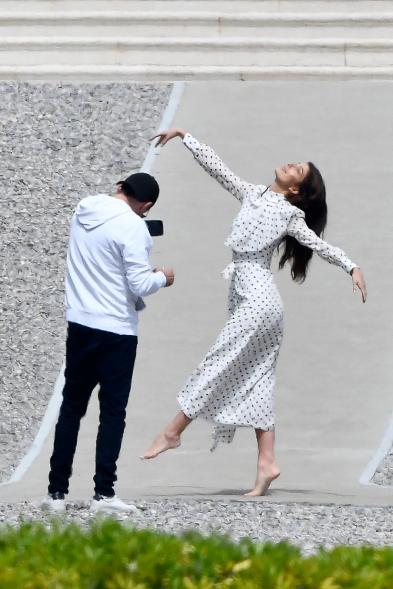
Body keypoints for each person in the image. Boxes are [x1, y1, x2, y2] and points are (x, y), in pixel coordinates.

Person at [142, 128, 367, 497]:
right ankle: (267, 464)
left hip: (259, 300)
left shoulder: (290, 214)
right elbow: (218, 168)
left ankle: (173, 431)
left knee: (217, 363)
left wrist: (351, 266)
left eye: (300, 170)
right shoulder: (254, 193)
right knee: (258, 378)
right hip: (248, 295)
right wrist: (186, 136)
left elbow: (317, 243)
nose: (293, 163)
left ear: (296, 189)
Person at [42, 173, 174, 513]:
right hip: (117, 330)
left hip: (81, 323)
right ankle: (104, 493)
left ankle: (56, 493)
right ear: (146, 206)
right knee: (112, 413)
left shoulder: (83, 209)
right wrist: (164, 277)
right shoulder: (134, 228)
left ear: (120, 188)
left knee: (71, 408)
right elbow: (140, 283)